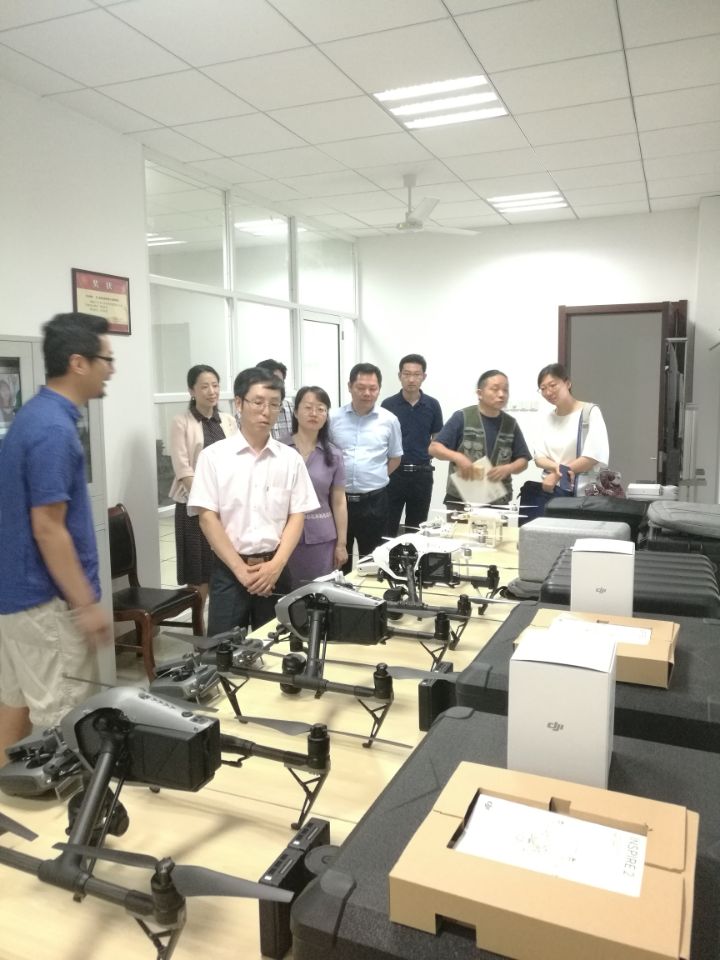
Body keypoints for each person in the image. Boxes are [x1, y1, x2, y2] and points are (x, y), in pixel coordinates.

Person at [0, 313, 113, 763]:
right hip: (43, 604)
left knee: (15, 705)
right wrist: (85, 605)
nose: (111, 369)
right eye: (106, 359)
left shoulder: (33, 416)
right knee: (65, 722)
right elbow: (48, 527)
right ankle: (72, 807)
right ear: (78, 363)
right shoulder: (53, 429)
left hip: (15, 601)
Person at [188, 366, 319, 636]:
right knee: (223, 649)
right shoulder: (214, 457)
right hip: (229, 571)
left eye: (274, 404)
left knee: (276, 648)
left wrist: (275, 566)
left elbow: (297, 515)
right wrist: (240, 570)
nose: (266, 411)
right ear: (239, 403)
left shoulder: (290, 459)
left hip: (275, 571)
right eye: (258, 402)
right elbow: (207, 518)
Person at [169, 364, 237, 615]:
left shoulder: (228, 421)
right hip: (194, 507)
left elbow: (236, 461)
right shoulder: (181, 422)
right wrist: (206, 501)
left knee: (223, 564)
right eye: (204, 386)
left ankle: (222, 620)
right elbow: (183, 468)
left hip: (226, 506)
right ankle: (199, 623)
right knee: (199, 571)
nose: (211, 391)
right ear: (192, 391)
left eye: (215, 385)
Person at [329, 362, 403, 571]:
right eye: (361, 387)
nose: (367, 393)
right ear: (349, 386)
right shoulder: (333, 418)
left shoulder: (389, 420)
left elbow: (395, 458)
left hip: (374, 502)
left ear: (379, 389)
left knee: (373, 562)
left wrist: (375, 477)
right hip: (339, 501)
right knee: (338, 561)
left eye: (373, 388)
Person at [429, 369, 530, 507]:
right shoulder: (462, 417)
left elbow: (523, 460)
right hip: (461, 500)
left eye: (505, 390)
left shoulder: (510, 424)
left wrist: (509, 468)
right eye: (495, 389)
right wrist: (458, 457)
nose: (501, 394)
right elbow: (434, 448)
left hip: (497, 500)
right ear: (480, 393)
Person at [284, 386, 348, 587]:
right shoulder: (279, 449)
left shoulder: (334, 454)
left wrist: (341, 544)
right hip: (283, 537)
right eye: (308, 407)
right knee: (287, 595)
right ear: (296, 412)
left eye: (321, 409)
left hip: (322, 539)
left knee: (320, 593)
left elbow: (339, 502)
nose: (314, 413)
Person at [381, 353, 443, 535]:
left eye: (416, 374)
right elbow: (381, 438)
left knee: (416, 528)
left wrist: (426, 454)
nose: (411, 379)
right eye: (407, 374)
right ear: (399, 376)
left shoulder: (432, 405)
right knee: (387, 526)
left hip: (421, 475)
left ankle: (413, 556)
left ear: (424, 376)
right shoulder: (388, 404)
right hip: (394, 474)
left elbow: (437, 437)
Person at [534, 362, 609, 495]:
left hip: (582, 495)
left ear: (567, 383)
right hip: (552, 491)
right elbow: (539, 457)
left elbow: (592, 457)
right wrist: (557, 468)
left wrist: (559, 473)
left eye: (553, 385)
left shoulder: (589, 412)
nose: (548, 392)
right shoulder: (547, 418)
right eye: (543, 388)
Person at [256, 357, 294, 440]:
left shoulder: (293, 410)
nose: (274, 386)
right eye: (268, 381)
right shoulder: (245, 412)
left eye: (278, 382)